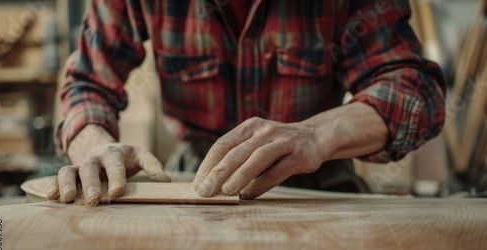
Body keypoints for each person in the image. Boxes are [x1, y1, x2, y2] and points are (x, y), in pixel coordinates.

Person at [46, 0, 445, 205]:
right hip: (193, 184)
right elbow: (87, 81)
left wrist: (316, 135)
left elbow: (415, 90)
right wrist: (94, 143)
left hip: (317, 179)